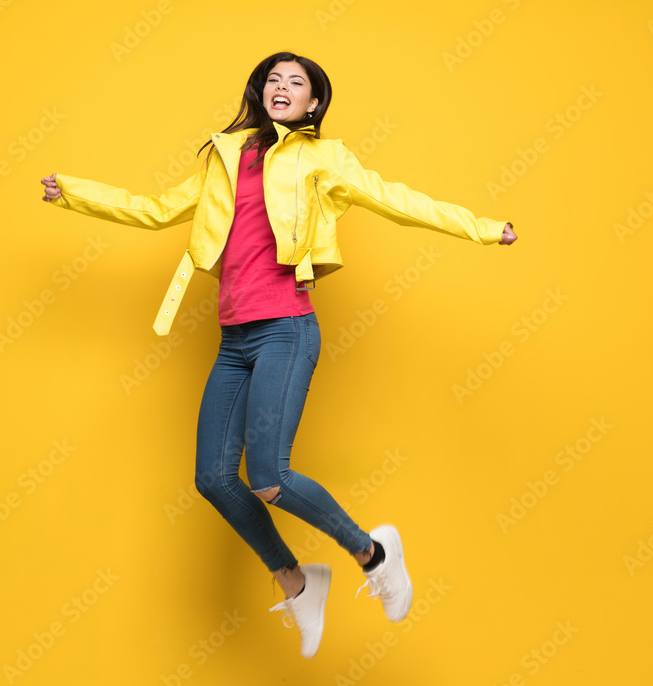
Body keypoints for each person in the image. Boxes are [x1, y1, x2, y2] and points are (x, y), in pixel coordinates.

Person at [40, 50, 517, 659]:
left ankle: (373, 553)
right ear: (260, 92)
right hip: (234, 338)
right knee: (213, 478)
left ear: (314, 102)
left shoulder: (324, 158)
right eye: (274, 80)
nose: (282, 87)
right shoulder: (225, 155)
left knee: (268, 476)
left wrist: (481, 226)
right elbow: (159, 210)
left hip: (286, 329)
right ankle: (297, 581)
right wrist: (75, 194)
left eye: (297, 82)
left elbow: (399, 200)